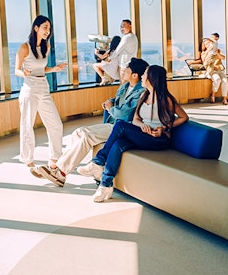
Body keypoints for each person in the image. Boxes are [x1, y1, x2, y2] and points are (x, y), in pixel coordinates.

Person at [80, 65, 188, 202]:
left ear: (152, 78)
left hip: (158, 139)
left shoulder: (166, 99)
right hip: (144, 135)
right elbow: (136, 119)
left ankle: (98, 161)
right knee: (118, 143)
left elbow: (184, 117)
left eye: (145, 74)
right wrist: (142, 125)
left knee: (120, 125)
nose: (142, 77)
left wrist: (164, 127)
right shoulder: (144, 95)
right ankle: (105, 185)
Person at [38, 57, 148, 187]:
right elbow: (117, 100)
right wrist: (111, 101)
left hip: (122, 127)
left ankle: (60, 173)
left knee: (87, 135)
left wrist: (110, 108)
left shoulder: (141, 91)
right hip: (113, 123)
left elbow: (125, 114)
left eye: (127, 69)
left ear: (135, 75)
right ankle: (58, 168)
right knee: (78, 132)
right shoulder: (125, 86)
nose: (124, 71)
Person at [16, 15, 67, 178]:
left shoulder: (46, 46)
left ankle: (54, 160)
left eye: (49, 28)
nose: (48, 31)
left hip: (44, 88)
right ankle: (29, 161)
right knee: (27, 125)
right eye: (45, 27)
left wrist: (54, 69)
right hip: (29, 88)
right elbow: (16, 70)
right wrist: (23, 73)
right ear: (36, 28)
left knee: (56, 125)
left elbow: (40, 69)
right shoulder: (24, 47)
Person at [93, 19, 138, 84]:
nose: (122, 28)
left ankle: (104, 79)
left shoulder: (126, 37)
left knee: (123, 86)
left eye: (124, 26)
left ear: (130, 26)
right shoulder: (134, 37)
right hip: (131, 66)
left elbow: (117, 52)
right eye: (121, 26)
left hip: (124, 66)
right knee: (128, 86)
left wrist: (108, 58)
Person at [202, 35, 228, 105]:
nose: (208, 45)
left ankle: (224, 99)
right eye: (207, 44)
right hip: (212, 70)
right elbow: (204, 61)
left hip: (220, 69)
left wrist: (217, 53)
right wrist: (209, 51)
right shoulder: (204, 52)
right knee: (217, 80)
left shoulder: (218, 50)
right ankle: (213, 95)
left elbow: (223, 58)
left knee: (225, 81)